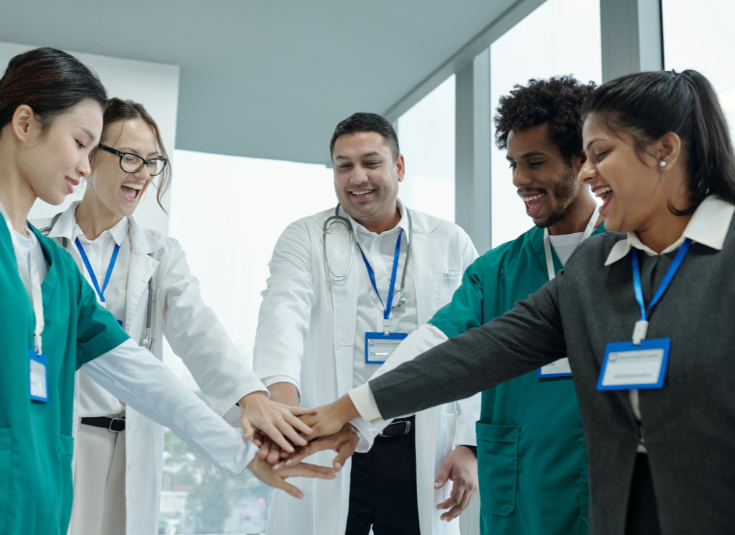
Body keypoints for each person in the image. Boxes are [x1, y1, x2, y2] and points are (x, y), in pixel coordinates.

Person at [294, 69, 735, 535]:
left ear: (665, 150)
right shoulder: (594, 269)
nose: (589, 172)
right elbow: (475, 352)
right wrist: (344, 411)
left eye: (601, 154)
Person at [0, 47, 332, 535]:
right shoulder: (50, 250)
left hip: (53, 483)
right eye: (82, 144)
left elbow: (153, 372)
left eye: (152, 162)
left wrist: (245, 439)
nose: (87, 166)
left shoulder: (55, 271)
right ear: (25, 124)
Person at [282, 75, 601, 534]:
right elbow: (434, 343)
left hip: (604, 475)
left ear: (582, 160)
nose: (518, 179)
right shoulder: (497, 270)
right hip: (521, 486)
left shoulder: (628, 252)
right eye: (512, 163)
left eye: (534, 162)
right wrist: (353, 417)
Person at [251, 112, 481, 535]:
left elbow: (473, 344)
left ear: (399, 166)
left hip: (421, 443)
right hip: (331, 439)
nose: (357, 177)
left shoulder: (449, 241)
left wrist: (468, 444)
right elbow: (282, 315)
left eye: (371, 162)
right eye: (344, 165)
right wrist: (281, 399)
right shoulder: (304, 236)